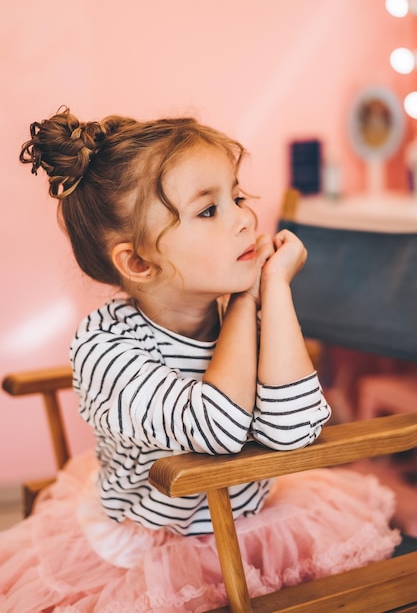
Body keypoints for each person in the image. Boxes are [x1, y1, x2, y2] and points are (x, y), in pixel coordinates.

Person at [0, 108, 400, 612]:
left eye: (237, 196)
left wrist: (271, 290)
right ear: (139, 262)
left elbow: (294, 433)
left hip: (255, 519)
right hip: (153, 545)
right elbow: (218, 430)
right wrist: (245, 303)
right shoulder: (104, 349)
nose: (246, 220)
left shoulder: (244, 306)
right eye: (209, 211)